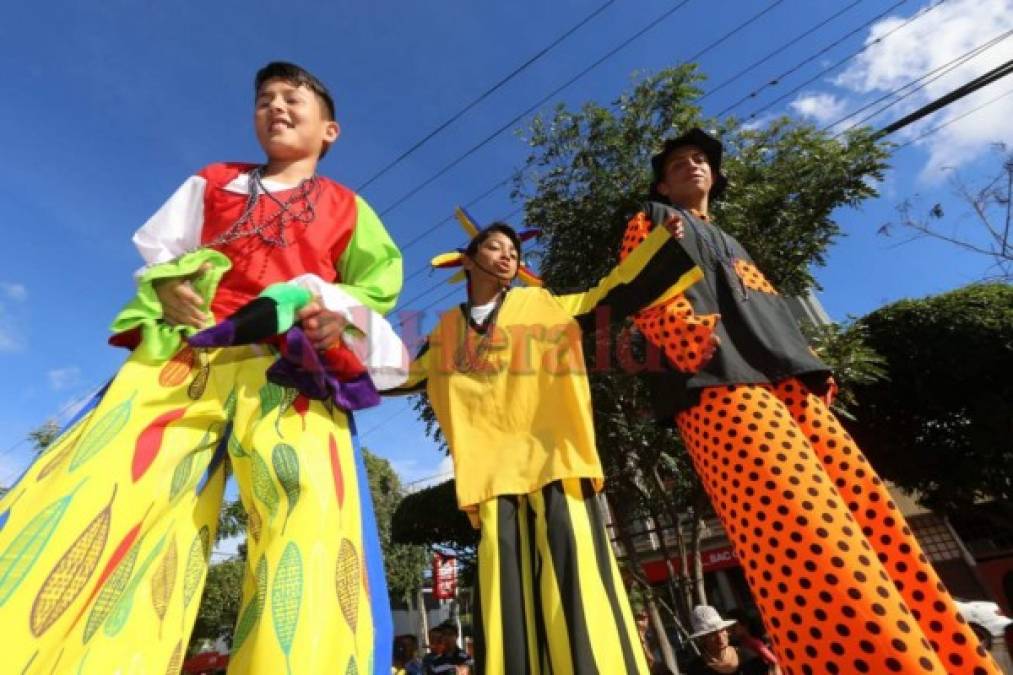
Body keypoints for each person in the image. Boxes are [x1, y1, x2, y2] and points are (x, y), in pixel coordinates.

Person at [0, 62, 403, 673]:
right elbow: (162, 253)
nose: (275, 107)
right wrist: (166, 288)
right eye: (264, 99)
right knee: (106, 492)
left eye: (292, 98)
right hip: (189, 352)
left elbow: (375, 288)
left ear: (330, 130)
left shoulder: (349, 208)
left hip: (289, 365)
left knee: (309, 513)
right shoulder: (214, 181)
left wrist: (334, 317)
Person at [617, 127, 1001, 674]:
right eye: (678, 162)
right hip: (718, 383)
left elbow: (771, 309)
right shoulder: (651, 221)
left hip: (786, 385)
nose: (693, 165)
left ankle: (951, 660)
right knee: (803, 532)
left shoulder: (732, 240)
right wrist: (698, 346)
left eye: (701, 159)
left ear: (716, 176)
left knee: (869, 516)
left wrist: (807, 364)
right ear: (661, 182)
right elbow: (646, 293)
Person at [392, 206, 700, 675]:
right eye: (495, 246)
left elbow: (611, 293)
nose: (507, 256)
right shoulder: (443, 335)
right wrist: (323, 358)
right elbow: (398, 375)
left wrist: (659, 249)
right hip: (492, 478)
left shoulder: (545, 305)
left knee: (577, 586)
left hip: (558, 461)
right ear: (467, 259)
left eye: (514, 252)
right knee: (507, 597)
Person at [685, 606, 767, 675]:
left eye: (722, 630)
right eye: (712, 634)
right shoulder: (696, 669)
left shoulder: (747, 656)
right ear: (702, 638)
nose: (720, 637)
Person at [726, 610, 779, 674]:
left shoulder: (754, 643)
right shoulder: (740, 644)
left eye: (734, 627)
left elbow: (774, 661)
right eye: (728, 628)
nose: (730, 631)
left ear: (744, 625)